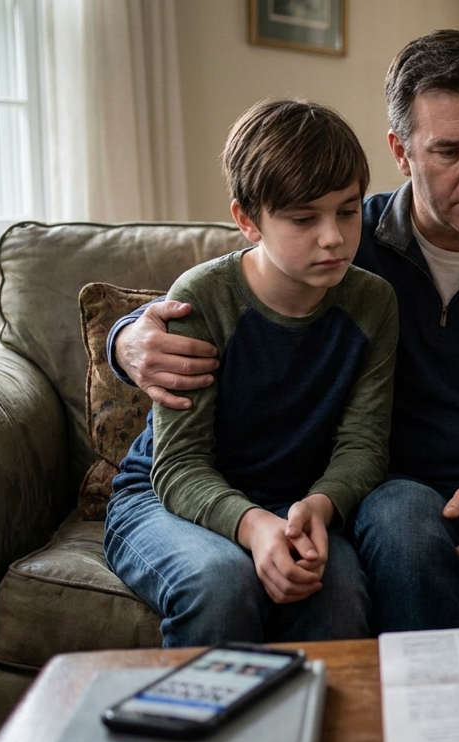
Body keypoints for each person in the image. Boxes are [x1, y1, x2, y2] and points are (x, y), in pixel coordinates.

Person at [109, 30, 459, 630]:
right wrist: (125, 339)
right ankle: (423, 715)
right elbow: (236, 282)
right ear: (401, 150)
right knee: (401, 527)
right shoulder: (346, 241)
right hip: (400, 482)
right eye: (449, 151)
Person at [104, 98, 397, 646]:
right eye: (304, 219)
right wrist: (254, 526)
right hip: (163, 497)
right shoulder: (203, 299)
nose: (333, 237)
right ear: (247, 220)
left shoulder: (373, 302)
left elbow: (363, 444)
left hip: (293, 504)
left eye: (348, 210)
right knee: (221, 581)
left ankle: (318, 734)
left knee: (339, 596)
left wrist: (321, 503)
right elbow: (179, 466)